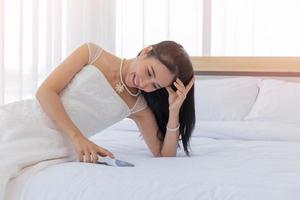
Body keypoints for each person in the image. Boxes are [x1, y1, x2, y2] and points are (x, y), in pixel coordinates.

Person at [0, 40, 195, 199]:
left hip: (54, 147)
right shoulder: (92, 53)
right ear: (146, 51)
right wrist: (78, 137)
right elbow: (45, 92)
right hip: (22, 122)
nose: (144, 84)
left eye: (155, 85)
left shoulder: (138, 106)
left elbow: (164, 155)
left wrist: (174, 110)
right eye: (149, 72)